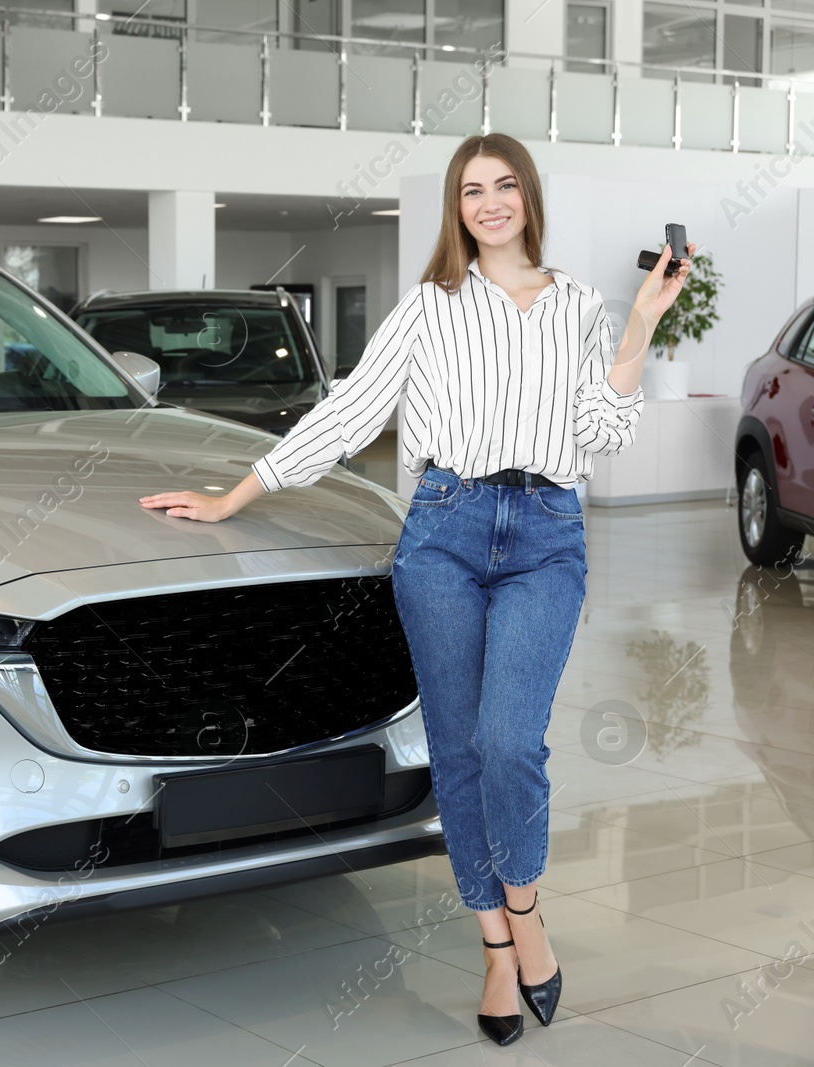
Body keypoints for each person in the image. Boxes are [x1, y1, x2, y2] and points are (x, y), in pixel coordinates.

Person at [138, 132, 693, 1047]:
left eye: (505, 185)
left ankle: (528, 912)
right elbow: (349, 412)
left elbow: (602, 433)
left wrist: (640, 325)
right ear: (456, 206)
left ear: (528, 196)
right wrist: (234, 493)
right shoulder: (430, 308)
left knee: (510, 740)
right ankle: (496, 949)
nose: (490, 203)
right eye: (472, 190)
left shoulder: (585, 307)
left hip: (548, 535)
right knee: (458, 748)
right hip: (444, 531)